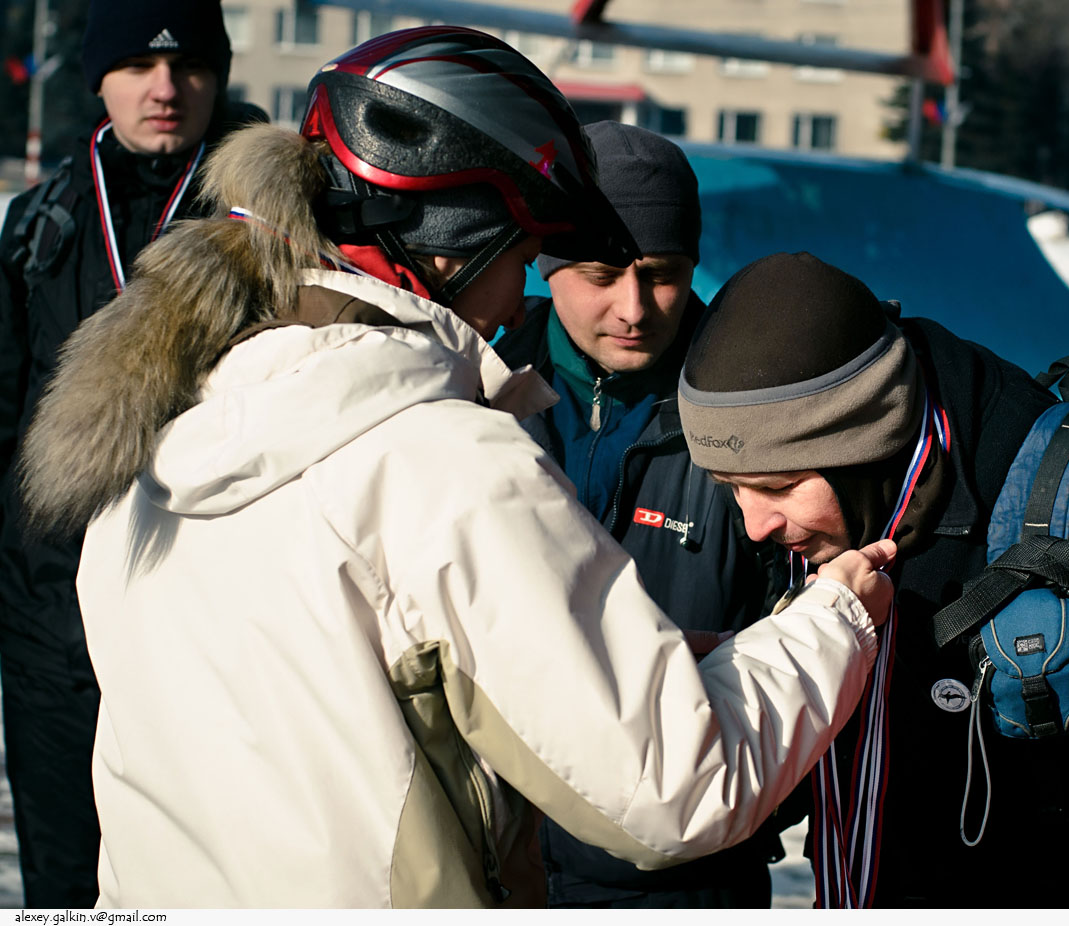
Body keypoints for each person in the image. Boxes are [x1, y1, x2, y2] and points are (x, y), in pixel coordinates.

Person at [14, 30, 896, 908]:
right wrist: (834, 621)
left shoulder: (155, 446)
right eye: (520, 255)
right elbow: (674, 788)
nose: (519, 298)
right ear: (450, 242)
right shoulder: (446, 461)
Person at [677, 251, 1069, 908]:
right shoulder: (824, 520)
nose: (754, 524)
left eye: (779, 487)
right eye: (730, 487)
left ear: (864, 441)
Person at [0, 0, 265, 907]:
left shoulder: (266, 217)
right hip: (53, 619)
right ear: (98, 79)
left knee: (198, 880)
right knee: (65, 882)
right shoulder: (43, 222)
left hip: (211, 615)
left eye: (189, 65)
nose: (165, 87)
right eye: (138, 66)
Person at [494, 121, 790, 908]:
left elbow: (805, 650)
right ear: (547, 263)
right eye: (601, 274)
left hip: (686, 878)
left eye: (661, 275)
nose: (634, 308)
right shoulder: (472, 385)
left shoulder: (753, 406)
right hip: (493, 864)